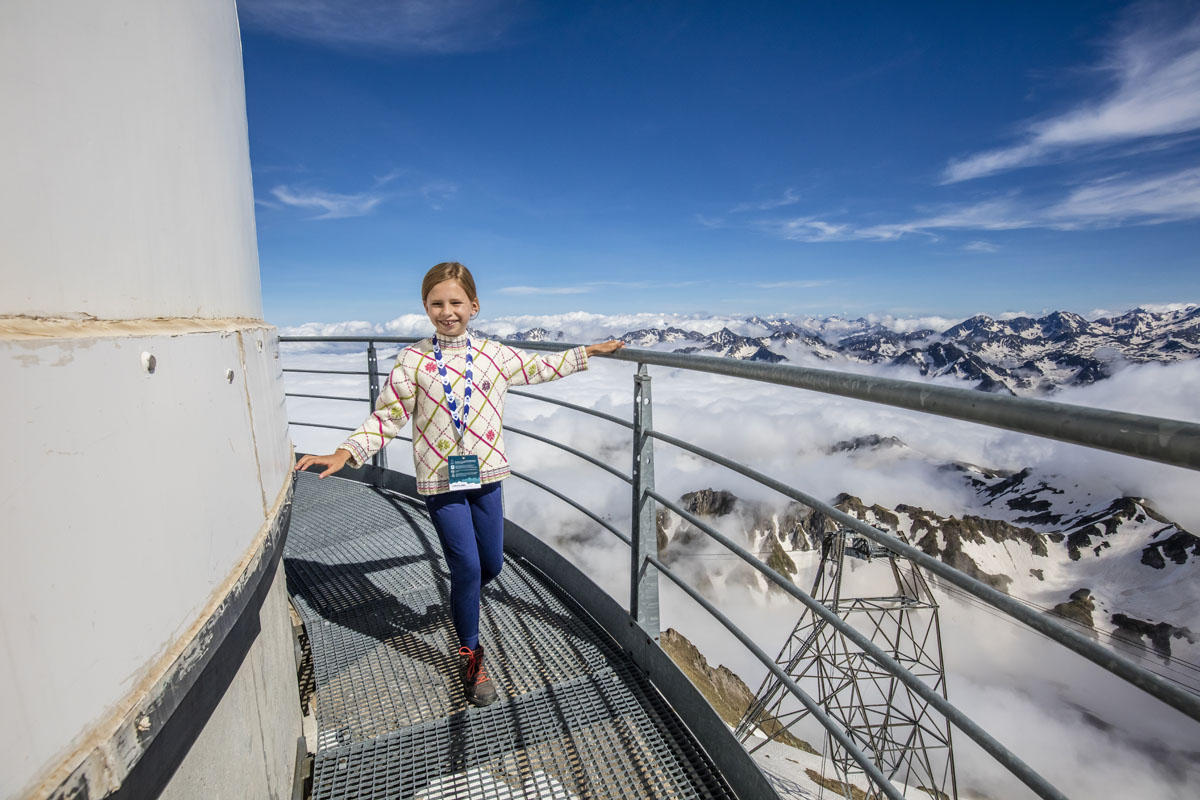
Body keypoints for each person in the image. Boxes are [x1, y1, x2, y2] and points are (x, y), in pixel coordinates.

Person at [294, 262, 624, 706]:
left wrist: (590, 352)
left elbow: (542, 366)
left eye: (455, 302)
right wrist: (348, 452)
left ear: (474, 306)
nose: (446, 311)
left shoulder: (494, 354)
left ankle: (460, 603)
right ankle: (471, 654)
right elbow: (389, 414)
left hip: (487, 477)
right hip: (440, 482)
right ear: (426, 307)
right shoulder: (413, 360)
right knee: (467, 568)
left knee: (492, 566)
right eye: (437, 303)